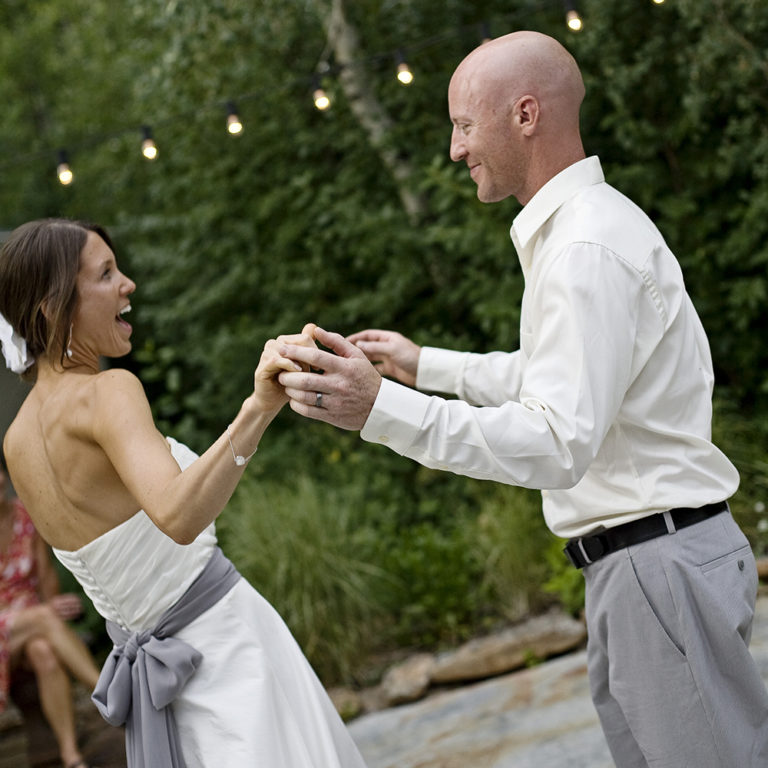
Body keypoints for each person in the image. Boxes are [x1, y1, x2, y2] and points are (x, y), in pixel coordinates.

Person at [276, 30, 768, 767]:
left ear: (526, 115)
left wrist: (379, 408)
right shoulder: (588, 231)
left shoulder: (582, 250)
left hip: (655, 570)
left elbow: (557, 442)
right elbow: (558, 380)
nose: (454, 148)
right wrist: (424, 366)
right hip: (645, 566)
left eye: (464, 125)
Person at [0, 218, 368, 768]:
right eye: (106, 275)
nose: (128, 284)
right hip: (226, 650)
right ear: (53, 308)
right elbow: (176, 514)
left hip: (160, 692)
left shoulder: (16, 441)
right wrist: (258, 409)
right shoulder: (108, 394)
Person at [0, 457, 101, 768]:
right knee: (42, 619)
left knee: (44, 651)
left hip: (30, 621)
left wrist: (51, 605)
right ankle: (106, 695)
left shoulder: (23, 515)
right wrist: (43, 613)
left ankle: (70, 755)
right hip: (10, 620)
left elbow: (45, 578)